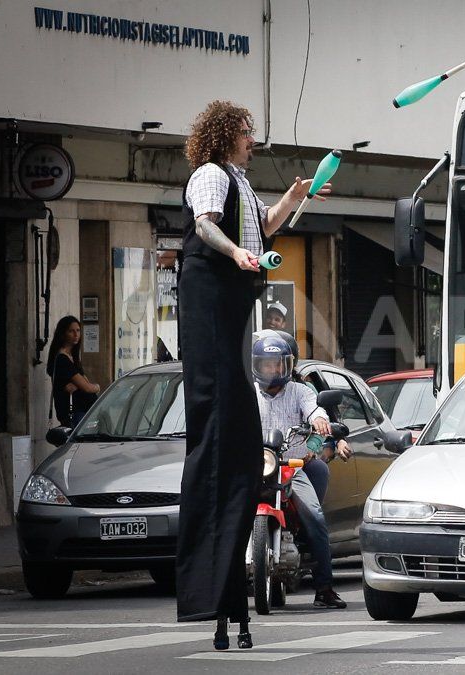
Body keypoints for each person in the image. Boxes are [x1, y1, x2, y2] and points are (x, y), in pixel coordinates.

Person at [175, 99, 332, 651]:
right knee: (219, 428)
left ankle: (232, 602)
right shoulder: (211, 175)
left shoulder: (239, 180)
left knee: (240, 445)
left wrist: (296, 195)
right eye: (245, 131)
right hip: (210, 296)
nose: (251, 139)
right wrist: (238, 253)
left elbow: (263, 228)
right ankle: (212, 592)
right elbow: (205, 228)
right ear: (223, 135)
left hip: (231, 303)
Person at [251, 333, 348, 609]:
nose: (272, 370)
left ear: (287, 365)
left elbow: (315, 410)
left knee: (315, 517)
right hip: (254, 469)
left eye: (277, 364)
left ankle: (324, 588)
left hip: (290, 469)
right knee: (225, 517)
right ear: (257, 365)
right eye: (266, 364)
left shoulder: (300, 391)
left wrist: (319, 421)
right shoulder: (246, 393)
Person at [45, 316, 101, 427]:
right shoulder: (62, 359)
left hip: (83, 411)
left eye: (78, 330)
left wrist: (85, 386)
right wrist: (98, 387)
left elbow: (85, 382)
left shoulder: (72, 357)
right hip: (75, 413)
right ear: (63, 334)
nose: (76, 335)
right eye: (71, 331)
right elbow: (87, 387)